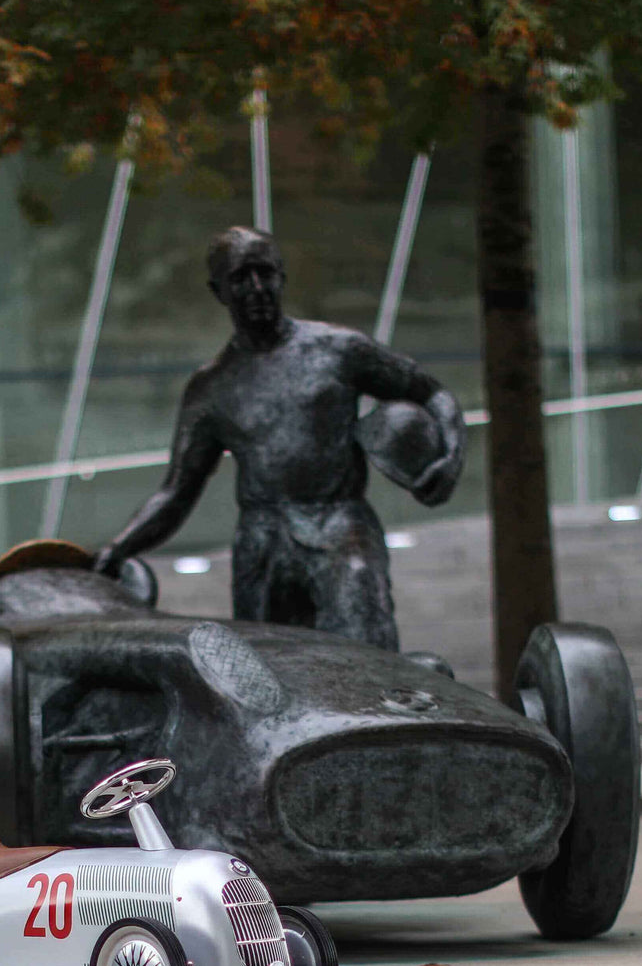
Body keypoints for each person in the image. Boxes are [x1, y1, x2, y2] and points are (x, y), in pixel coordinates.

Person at [94, 226, 465, 651]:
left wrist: (451, 453)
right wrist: (118, 548)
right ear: (219, 292)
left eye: (264, 272)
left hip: (339, 525)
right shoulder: (211, 387)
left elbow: (430, 391)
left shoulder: (338, 350)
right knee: (271, 672)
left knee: (370, 651)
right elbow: (177, 492)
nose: (256, 287)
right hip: (262, 539)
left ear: (281, 277)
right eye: (240, 277)